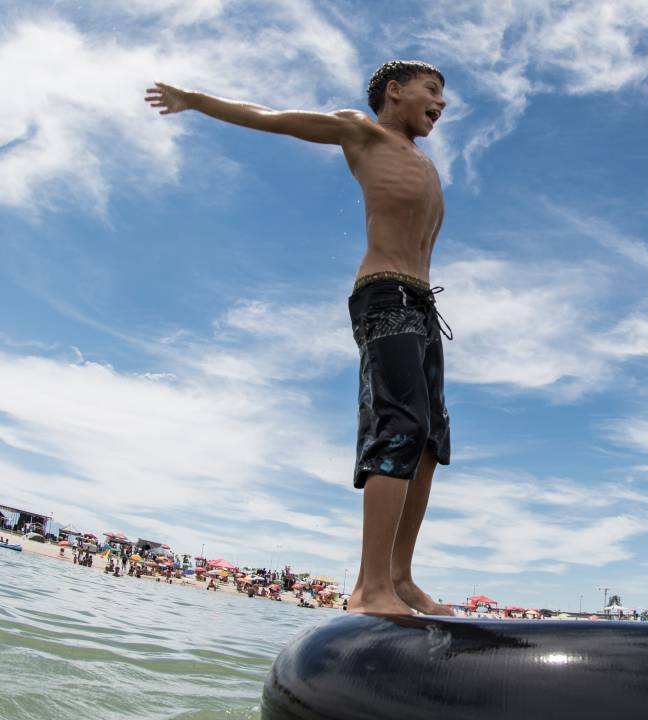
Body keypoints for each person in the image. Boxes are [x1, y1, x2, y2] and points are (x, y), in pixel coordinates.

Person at [147, 60, 455, 616]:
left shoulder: (423, 161)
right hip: (385, 293)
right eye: (431, 90)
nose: (441, 102)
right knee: (400, 425)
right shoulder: (361, 132)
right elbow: (272, 118)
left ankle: (401, 578)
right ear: (394, 91)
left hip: (423, 305)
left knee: (430, 440)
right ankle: (369, 588)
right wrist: (194, 98)